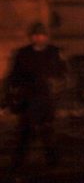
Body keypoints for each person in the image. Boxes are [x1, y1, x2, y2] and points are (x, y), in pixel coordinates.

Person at [3, 22, 67, 170]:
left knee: (48, 132)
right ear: (31, 37)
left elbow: (62, 74)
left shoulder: (53, 53)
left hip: (46, 99)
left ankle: (53, 163)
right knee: (25, 131)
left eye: (42, 35)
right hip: (29, 99)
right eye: (36, 35)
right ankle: (18, 163)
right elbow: (15, 76)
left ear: (46, 37)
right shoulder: (24, 54)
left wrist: (57, 89)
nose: (39, 38)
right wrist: (10, 97)